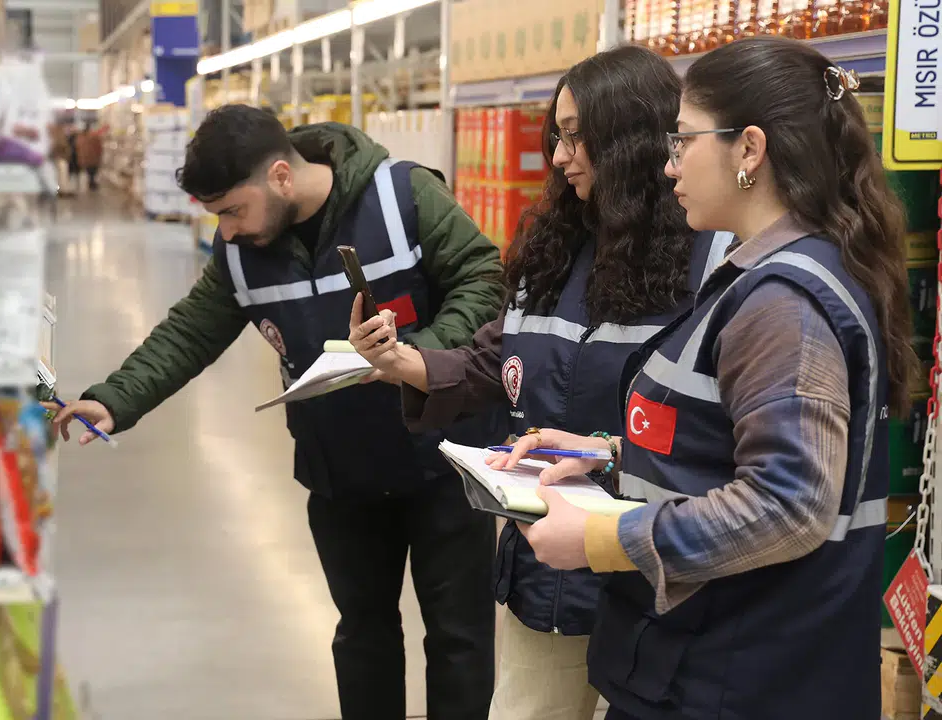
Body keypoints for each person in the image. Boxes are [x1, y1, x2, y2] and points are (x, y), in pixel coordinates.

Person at [484, 36, 913, 719]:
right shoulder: (756, 273)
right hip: (719, 660)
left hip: (744, 671)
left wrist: (600, 537)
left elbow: (789, 505)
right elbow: (728, 441)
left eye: (684, 140)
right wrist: (609, 454)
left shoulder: (784, 304)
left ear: (749, 149)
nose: (670, 161)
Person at [46, 104, 506, 718]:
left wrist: (416, 358)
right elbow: (190, 331)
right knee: (362, 635)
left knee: (459, 638)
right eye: (217, 217)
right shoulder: (240, 252)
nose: (227, 230)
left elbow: (483, 277)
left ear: (282, 177)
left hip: (443, 462)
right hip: (341, 475)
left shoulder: (403, 195)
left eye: (234, 209)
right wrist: (113, 398)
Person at [347, 46, 732, 720]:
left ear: (635, 139)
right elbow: (498, 360)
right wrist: (400, 362)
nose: (559, 155)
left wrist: (607, 452)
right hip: (545, 564)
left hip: (657, 575)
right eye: (558, 134)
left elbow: (717, 433)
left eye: (580, 136)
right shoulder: (553, 250)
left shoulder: (710, 263)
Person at [76, 122, 104, 191]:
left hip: (87, 158)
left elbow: (78, 147)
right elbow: (99, 147)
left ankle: (91, 182)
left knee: (90, 171)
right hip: (93, 157)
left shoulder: (81, 137)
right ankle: (92, 182)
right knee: (93, 171)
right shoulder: (94, 136)